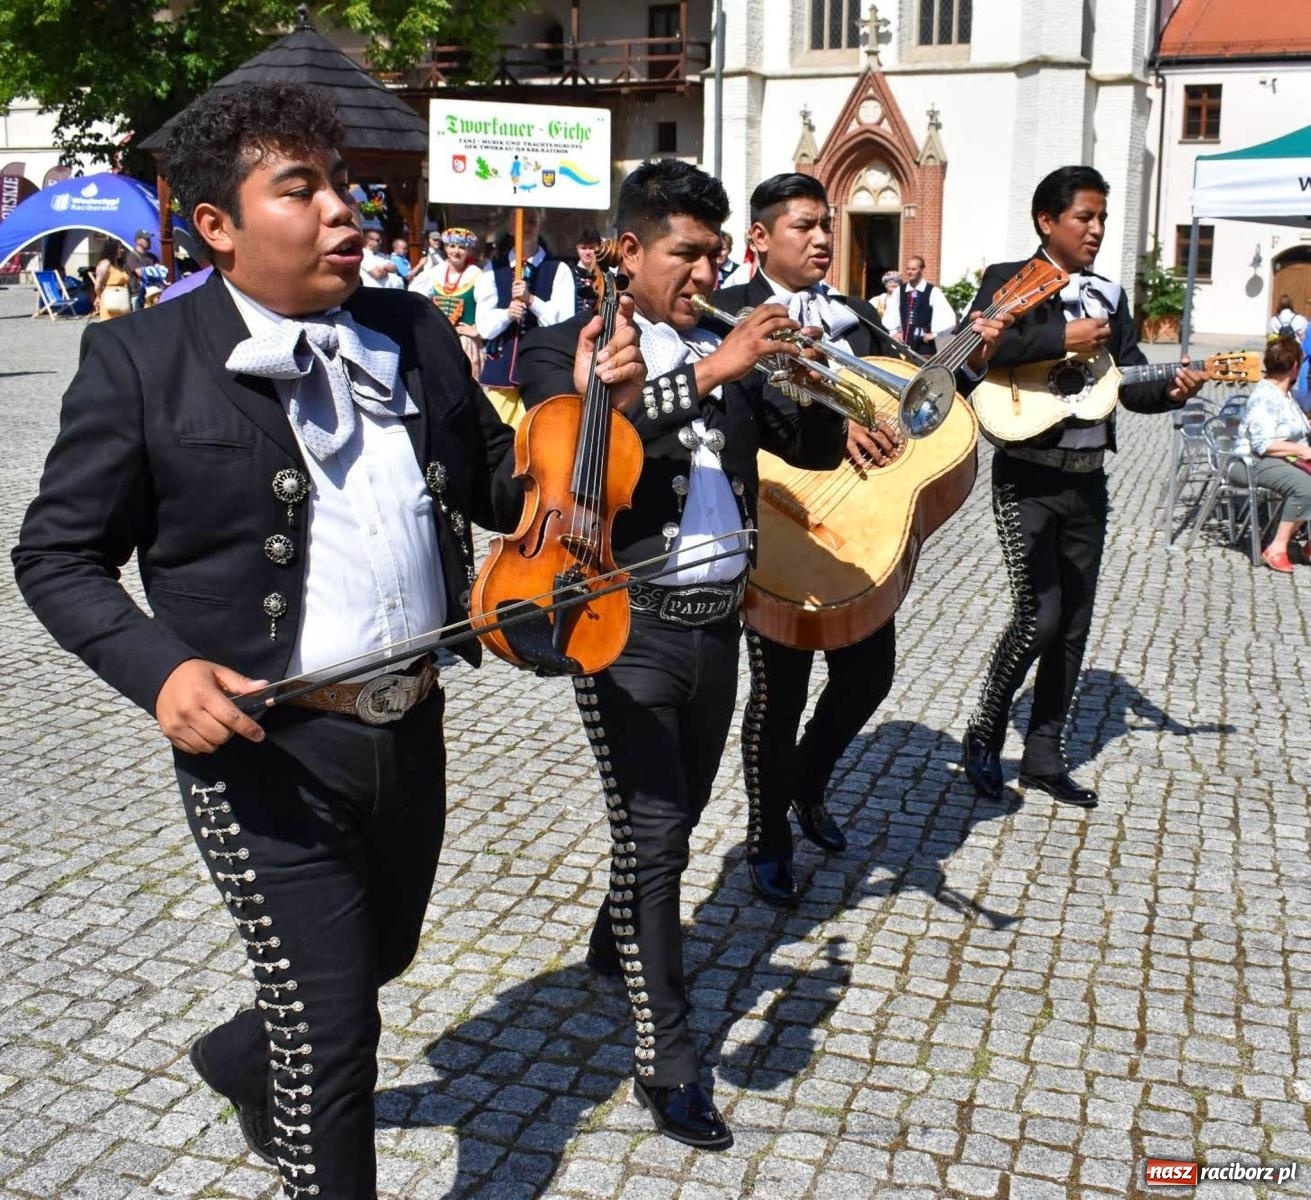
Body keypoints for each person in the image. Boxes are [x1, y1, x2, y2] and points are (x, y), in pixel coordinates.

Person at [11, 82, 643, 1200]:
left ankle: (234, 1053)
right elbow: (55, 558)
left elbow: (497, 490)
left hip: (409, 726)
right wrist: (160, 674)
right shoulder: (141, 361)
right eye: (299, 189)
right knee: (338, 1033)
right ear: (216, 226)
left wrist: (579, 425)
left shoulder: (411, 329)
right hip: (265, 755)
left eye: (342, 184)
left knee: (382, 956)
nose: (343, 210)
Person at [518, 158, 847, 1151]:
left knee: (678, 817)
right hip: (622, 622)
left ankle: (610, 940)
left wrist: (813, 376)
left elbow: (818, 453)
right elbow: (580, 447)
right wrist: (708, 372)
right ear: (627, 251)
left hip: (716, 619)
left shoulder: (723, 341)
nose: (706, 273)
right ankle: (671, 1062)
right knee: (659, 839)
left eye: (713, 254)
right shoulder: (564, 347)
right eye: (685, 254)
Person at [716, 173, 1008, 907]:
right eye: (802, 226)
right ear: (759, 238)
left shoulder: (853, 314)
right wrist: (827, 428)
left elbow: (913, 399)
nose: (820, 239)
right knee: (776, 696)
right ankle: (767, 837)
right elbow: (736, 413)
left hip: (852, 534)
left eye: (825, 225)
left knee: (866, 676)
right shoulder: (726, 313)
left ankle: (806, 785)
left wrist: (968, 360)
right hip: (779, 517)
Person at [960, 165, 1205, 808]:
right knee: (1036, 616)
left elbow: (1130, 383)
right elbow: (970, 352)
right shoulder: (1009, 281)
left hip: (1087, 483)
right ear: (1048, 221)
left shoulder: (1109, 295)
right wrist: (1059, 336)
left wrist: (1172, 388)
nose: (1096, 229)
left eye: (1101, 217)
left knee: (1072, 625)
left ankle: (1043, 755)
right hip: (1027, 477)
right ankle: (983, 736)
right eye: (1084, 217)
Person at [473, 207, 574, 426]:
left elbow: (564, 323)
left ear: (540, 226)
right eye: (520, 222)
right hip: (502, 373)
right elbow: (484, 326)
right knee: (498, 437)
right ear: (510, 227)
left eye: (531, 221)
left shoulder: (559, 270)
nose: (526, 227)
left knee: (540, 439)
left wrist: (532, 301)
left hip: (543, 372)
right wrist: (507, 314)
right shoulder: (494, 269)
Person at [1238, 336, 1311, 571]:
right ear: (1295, 367)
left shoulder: (1285, 396)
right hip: (1253, 461)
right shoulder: (1265, 396)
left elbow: (1298, 428)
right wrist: (1303, 450)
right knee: (1306, 487)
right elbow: (1263, 443)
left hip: (1283, 458)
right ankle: (1277, 547)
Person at [409, 226, 484, 377]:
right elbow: (416, 298)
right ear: (446, 248)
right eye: (452, 246)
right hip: (438, 337)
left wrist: (478, 329)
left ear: (468, 251)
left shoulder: (476, 275)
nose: (456, 251)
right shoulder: (435, 273)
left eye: (462, 247)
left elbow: (486, 306)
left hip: (464, 341)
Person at [882, 253, 956, 354]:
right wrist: (894, 333)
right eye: (908, 269)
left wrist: (934, 334)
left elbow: (946, 316)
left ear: (921, 270)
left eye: (913, 269)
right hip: (901, 345)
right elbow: (891, 314)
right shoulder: (899, 291)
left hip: (924, 347)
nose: (910, 272)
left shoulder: (933, 291)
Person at [92, 240, 131, 319]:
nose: (122, 250)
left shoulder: (120, 264)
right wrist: (99, 297)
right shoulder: (105, 264)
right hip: (110, 299)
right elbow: (98, 285)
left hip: (122, 299)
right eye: (119, 248)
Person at [572, 226, 602, 316]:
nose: (587, 252)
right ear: (577, 248)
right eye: (583, 248)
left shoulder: (605, 275)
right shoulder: (568, 275)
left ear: (599, 247)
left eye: (591, 248)